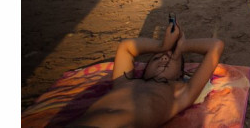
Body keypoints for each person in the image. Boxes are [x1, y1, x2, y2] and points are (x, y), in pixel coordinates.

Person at [71, 18, 224, 127]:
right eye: (156, 58)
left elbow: (215, 46)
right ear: (145, 69)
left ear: (180, 74)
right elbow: (125, 47)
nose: (164, 57)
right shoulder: (124, 81)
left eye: (171, 59)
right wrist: (162, 46)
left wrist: (182, 46)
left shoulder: (180, 92)